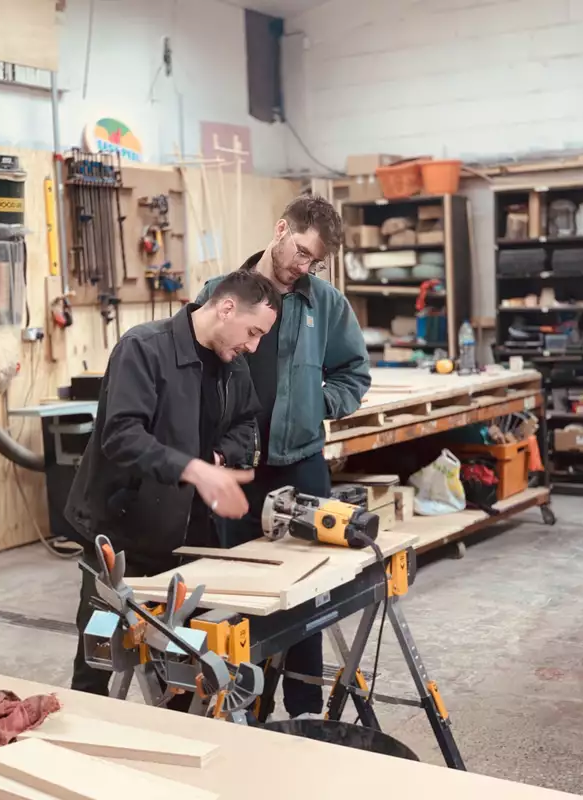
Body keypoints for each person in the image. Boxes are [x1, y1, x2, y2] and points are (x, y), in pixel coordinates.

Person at [65, 270, 281, 695]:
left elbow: (245, 424)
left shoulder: (233, 364)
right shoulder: (143, 348)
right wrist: (194, 470)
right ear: (227, 308)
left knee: (184, 664)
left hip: (188, 539)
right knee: (100, 655)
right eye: (253, 332)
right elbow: (122, 436)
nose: (253, 346)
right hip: (122, 535)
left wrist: (215, 459)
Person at [196, 195, 371, 718]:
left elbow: (354, 374)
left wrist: (316, 403)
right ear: (279, 230)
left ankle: (304, 710)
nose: (304, 267)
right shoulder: (221, 294)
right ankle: (243, 709)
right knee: (235, 591)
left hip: (301, 464)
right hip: (238, 468)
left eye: (315, 261)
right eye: (301, 252)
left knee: (307, 591)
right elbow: (193, 368)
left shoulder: (326, 304)